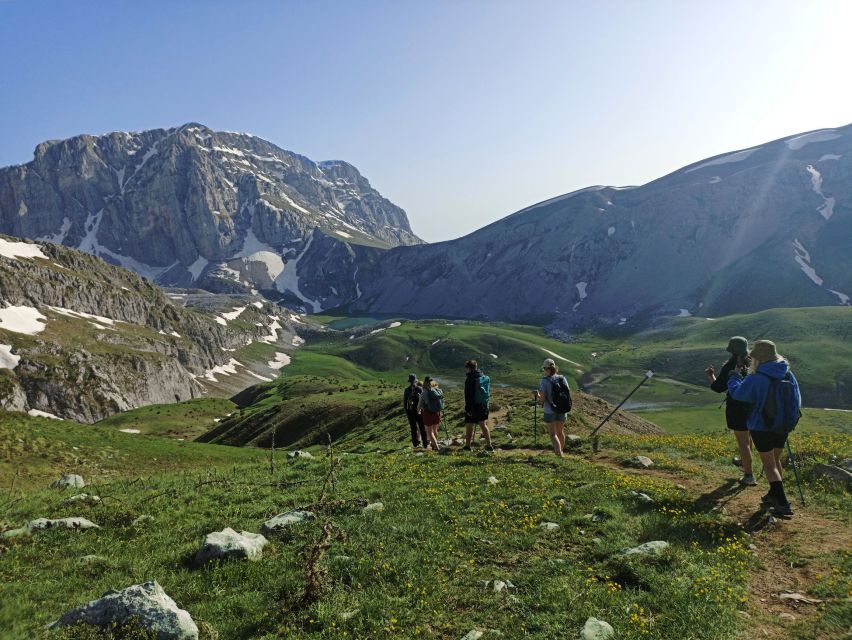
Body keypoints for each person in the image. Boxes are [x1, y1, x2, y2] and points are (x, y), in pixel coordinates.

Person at [727, 340, 801, 517]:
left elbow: (739, 395)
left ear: (758, 359)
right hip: (783, 426)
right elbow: (797, 400)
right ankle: (772, 495)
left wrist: (734, 378)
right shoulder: (788, 374)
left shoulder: (757, 377)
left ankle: (783, 504)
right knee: (775, 461)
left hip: (762, 426)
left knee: (769, 465)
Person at [705, 336, 756, 486]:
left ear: (732, 350)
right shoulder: (753, 362)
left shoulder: (731, 365)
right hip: (753, 405)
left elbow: (718, 387)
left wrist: (710, 376)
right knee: (748, 437)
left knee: (742, 442)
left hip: (737, 407)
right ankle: (744, 462)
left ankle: (748, 475)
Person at [536, 358, 568, 457]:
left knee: (553, 434)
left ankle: (559, 455)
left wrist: (537, 395)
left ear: (546, 369)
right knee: (560, 432)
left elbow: (542, 399)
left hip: (550, 410)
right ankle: (561, 451)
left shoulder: (543, 381)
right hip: (562, 409)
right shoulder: (562, 378)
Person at [463, 359, 493, 451]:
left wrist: (468, 409)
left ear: (469, 368)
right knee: (483, 424)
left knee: (469, 425)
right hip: (483, 404)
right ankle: (489, 445)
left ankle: (468, 446)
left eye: (466, 368)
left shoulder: (470, 379)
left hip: (473, 406)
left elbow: (468, 395)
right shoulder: (482, 375)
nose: (466, 370)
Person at [417, 375, 443, 451]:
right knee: (435, 430)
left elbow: (419, 404)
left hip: (428, 413)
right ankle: (434, 444)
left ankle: (437, 448)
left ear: (424, 383)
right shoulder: (436, 390)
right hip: (437, 413)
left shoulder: (424, 393)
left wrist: (418, 411)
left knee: (429, 431)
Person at [402, 373, 428, 449]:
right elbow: (423, 401)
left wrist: (407, 412)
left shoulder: (407, 390)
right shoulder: (418, 389)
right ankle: (422, 444)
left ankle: (418, 444)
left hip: (414, 411)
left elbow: (405, 403)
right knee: (419, 428)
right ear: (415, 381)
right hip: (418, 411)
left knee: (416, 428)